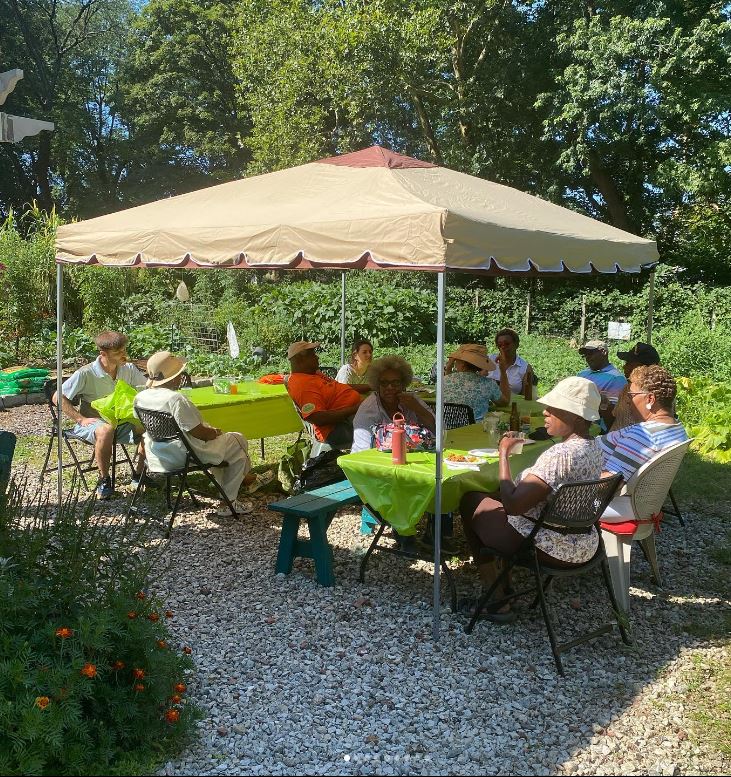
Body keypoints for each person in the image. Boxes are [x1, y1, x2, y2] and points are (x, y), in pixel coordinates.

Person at [459, 377, 604, 621]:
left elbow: (513, 506)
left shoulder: (560, 455)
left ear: (577, 417)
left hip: (550, 546)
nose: (545, 411)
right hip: (583, 542)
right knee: (490, 498)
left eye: (555, 408)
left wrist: (503, 453)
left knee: (471, 502)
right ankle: (504, 586)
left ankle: (497, 598)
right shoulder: (593, 446)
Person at [133, 351, 254, 516]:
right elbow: (199, 432)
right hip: (184, 454)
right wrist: (214, 433)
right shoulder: (175, 399)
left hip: (158, 453)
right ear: (174, 376)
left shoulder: (140, 397)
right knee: (238, 442)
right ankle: (228, 501)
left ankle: (234, 483)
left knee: (230, 449)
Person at [53, 330, 148, 500]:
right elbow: (57, 397)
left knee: (151, 426)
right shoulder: (86, 373)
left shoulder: (128, 369)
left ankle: (139, 476)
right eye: (118, 352)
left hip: (122, 421)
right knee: (106, 430)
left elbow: (145, 389)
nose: (123, 354)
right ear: (103, 354)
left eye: (124, 350)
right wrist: (80, 419)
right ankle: (104, 480)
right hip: (95, 423)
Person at [598, 365, 688, 490]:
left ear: (650, 399)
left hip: (611, 504)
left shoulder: (643, 435)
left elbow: (608, 483)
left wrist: (577, 474)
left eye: (631, 395)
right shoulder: (677, 429)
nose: (628, 401)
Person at [286, 341, 365, 449]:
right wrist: (356, 409)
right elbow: (318, 418)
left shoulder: (313, 374)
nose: (317, 357)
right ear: (301, 359)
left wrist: (371, 386)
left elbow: (341, 387)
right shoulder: (303, 385)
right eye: (312, 354)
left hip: (352, 416)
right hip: (337, 428)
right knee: (383, 429)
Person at [352, 355, 435, 453]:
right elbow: (363, 450)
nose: (390, 387)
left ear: (403, 384)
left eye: (395, 383)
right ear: (377, 386)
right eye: (384, 383)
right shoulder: (368, 410)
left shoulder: (411, 400)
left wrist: (417, 408)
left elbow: (437, 429)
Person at [443, 344, 510, 421]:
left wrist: (448, 368)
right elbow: (504, 402)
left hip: (447, 430)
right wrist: (503, 371)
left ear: (463, 364)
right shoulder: (488, 384)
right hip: (476, 430)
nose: (455, 363)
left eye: (456, 361)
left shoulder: (443, 381)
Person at [576, 339, 627, 431]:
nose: (587, 357)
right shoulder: (582, 373)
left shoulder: (616, 379)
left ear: (603, 352)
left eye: (591, 353)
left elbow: (613, 413)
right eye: (586, 354)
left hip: (595, 429)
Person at [611, 341, 661, 430]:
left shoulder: (631, 390)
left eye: (629, 363)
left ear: (642, 367)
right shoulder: (665, 389)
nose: (624, 367)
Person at [486, 328, 535, 397]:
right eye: (500, 345)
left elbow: (527, 397)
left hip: (511, 405)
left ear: (516, 345)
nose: (503, 347)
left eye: (507, 344)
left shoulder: (525, 368)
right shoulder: (489, 360)